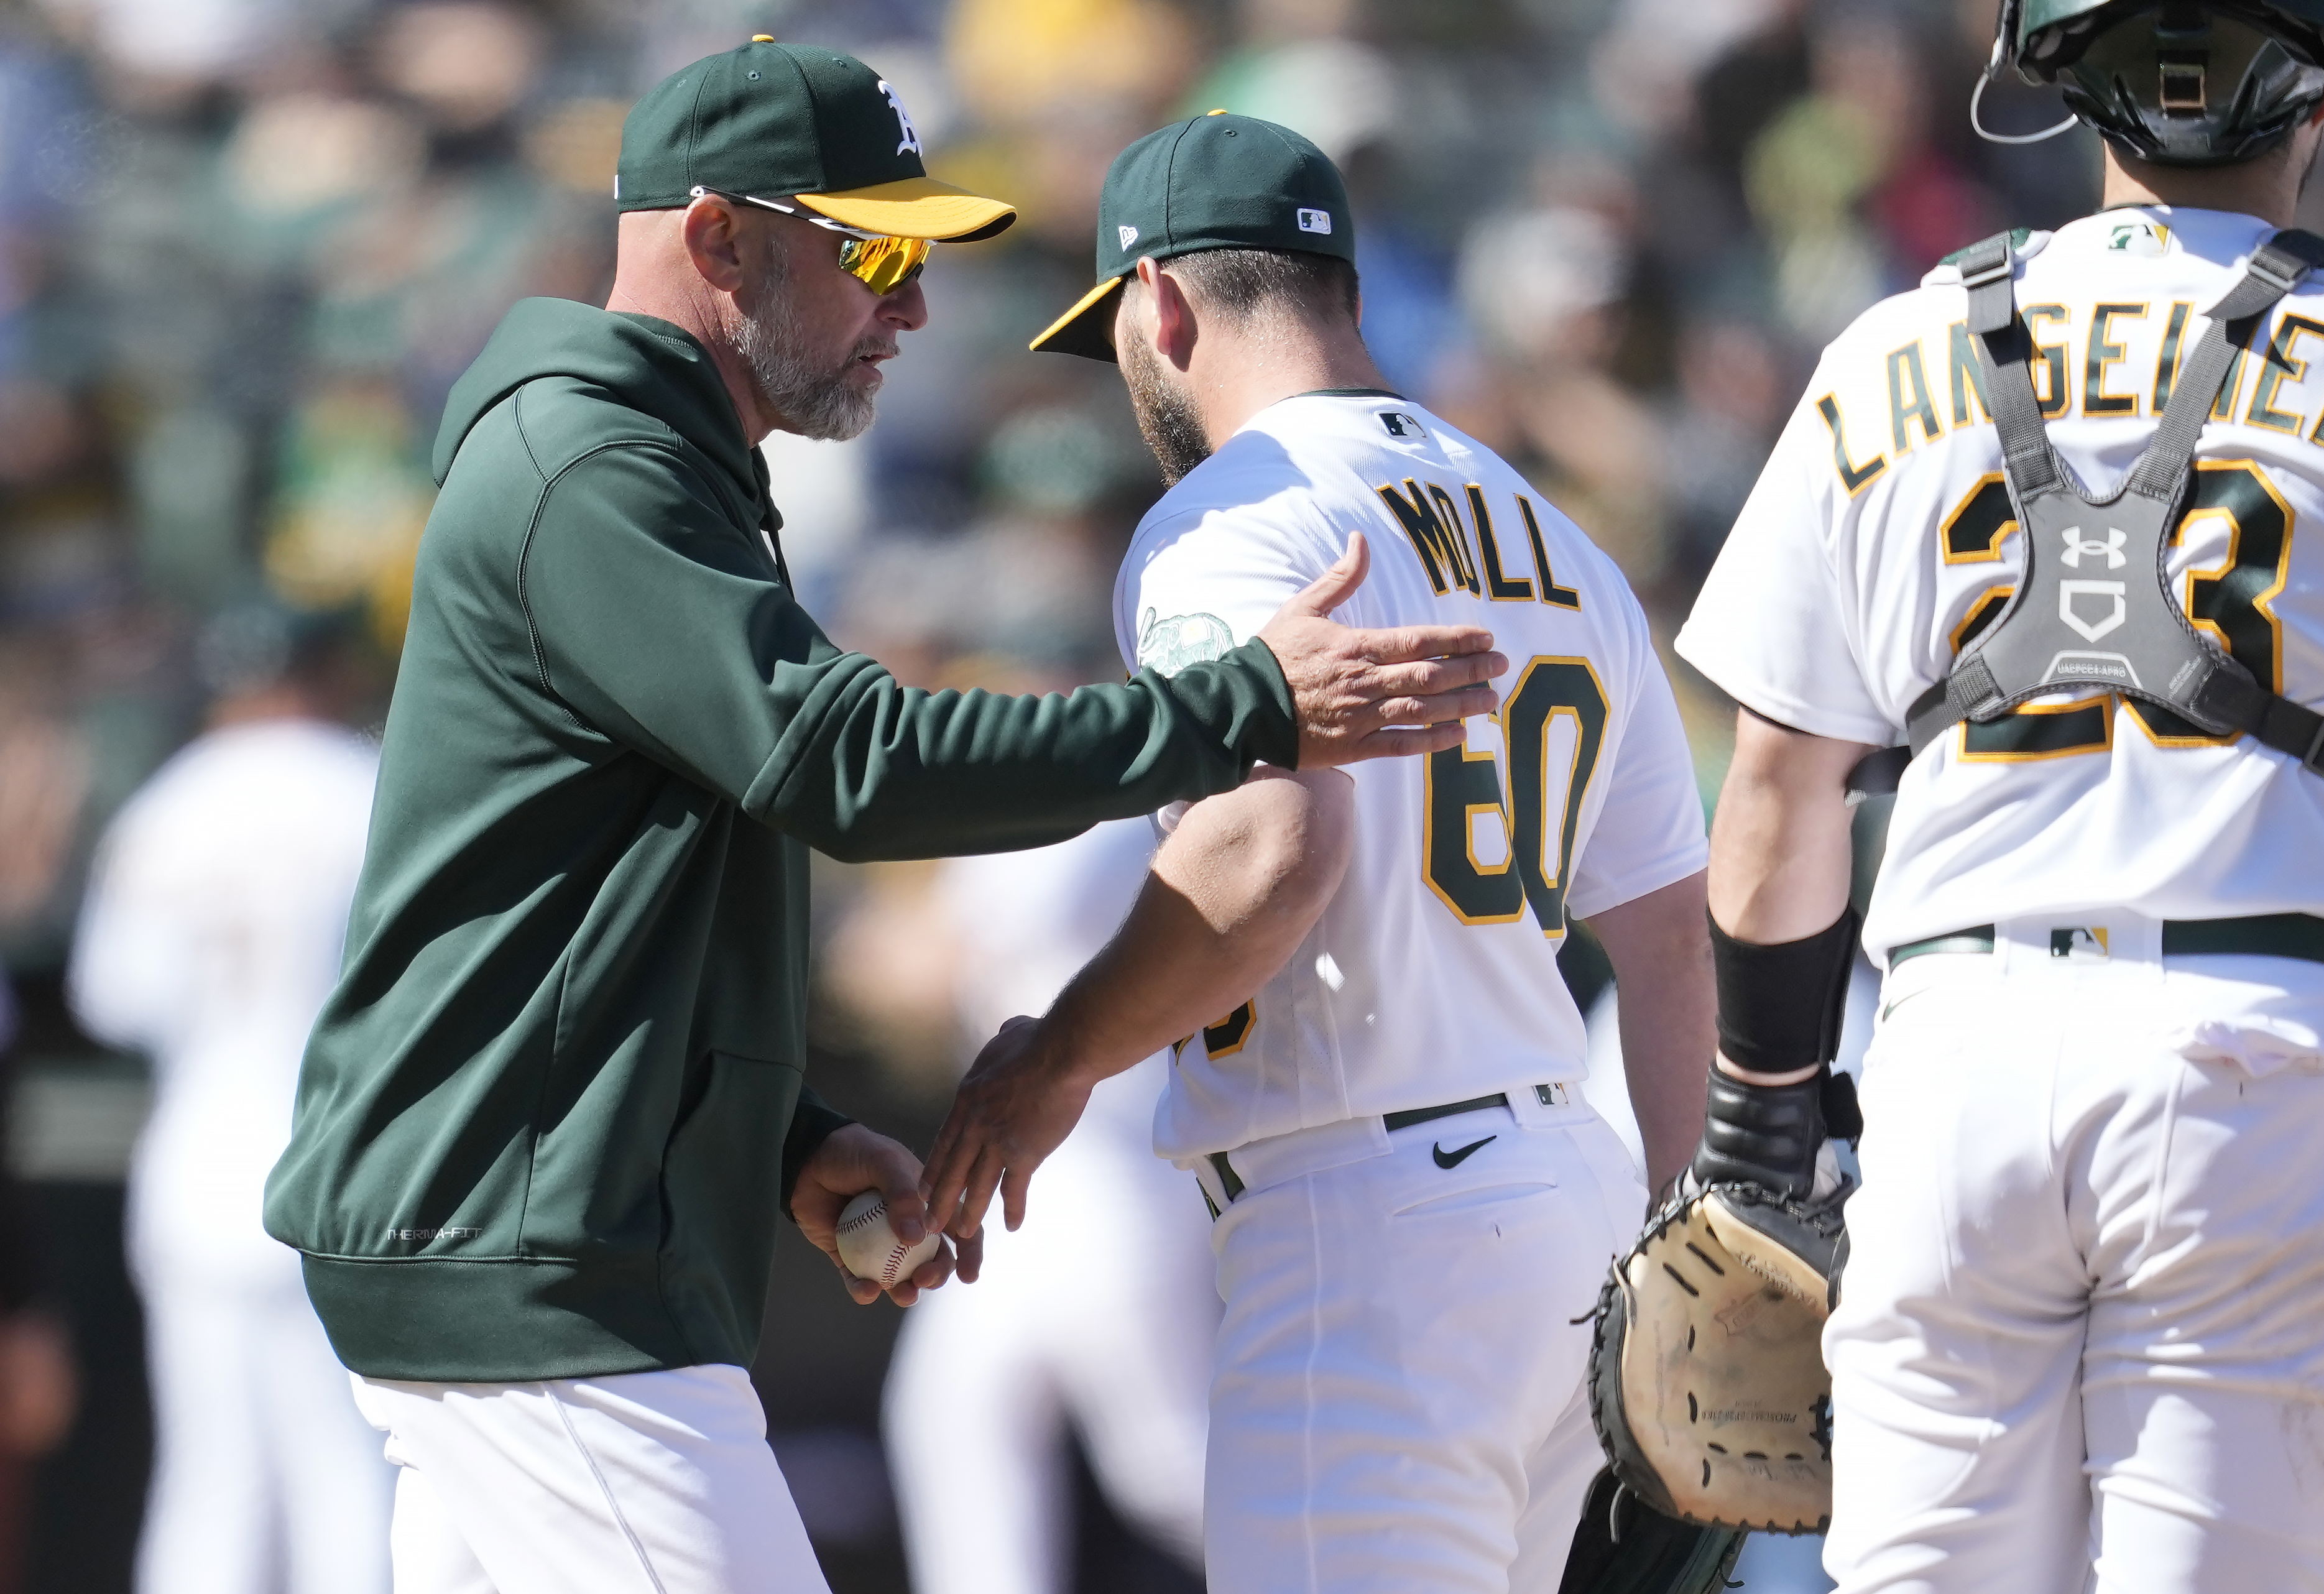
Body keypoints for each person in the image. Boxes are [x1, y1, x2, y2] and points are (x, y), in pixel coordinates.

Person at [259, 39, 1505, 1594]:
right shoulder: (589, 459)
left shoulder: (659, 460)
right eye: (872, 249)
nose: (912, 304)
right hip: (533, 1274)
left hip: (515, 1234)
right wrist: (1237, 705)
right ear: (717, 239)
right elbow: (843, 763)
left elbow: (612, 897)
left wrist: (769, 1129)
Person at [922, 113, 1717, 1593]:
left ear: (1157, 304)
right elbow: (1672, 933)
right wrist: (1694, 1257)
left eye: (1121, 339)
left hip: (1372, 1215)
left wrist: (1056, 1056)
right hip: (1578, 1202)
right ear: (1342, 292)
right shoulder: (1553, 528)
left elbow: (1262, 857)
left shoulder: (1225, 516)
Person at [1670, 0, 2324, 1584]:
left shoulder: (1892, 346)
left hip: (1952, 1063)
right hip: (2267, 1057)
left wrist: (1751, 1141)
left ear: (2056, 74)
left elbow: (1779, 792)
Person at [70, 603, 392, 1594]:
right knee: (346, 1476)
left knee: (211, 1483)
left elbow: (111, 1000)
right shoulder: (365, 783)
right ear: (326, 671)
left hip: (197, 1175)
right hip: (338, 1173)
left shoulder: (172, 802)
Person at [882, 819, 1214, 1594]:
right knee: (950, 1420)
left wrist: (831, 952)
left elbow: (924, 963)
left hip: (1115, 1187)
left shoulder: (1105, 809)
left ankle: (1398, 1563)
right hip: (1017, 1201)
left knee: (1173, 1471)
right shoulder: (1003, 790)